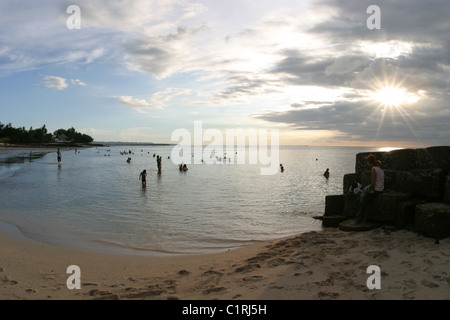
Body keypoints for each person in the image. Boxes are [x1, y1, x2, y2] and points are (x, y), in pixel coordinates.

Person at [353, 155, 384, 225]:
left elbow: (373, 183)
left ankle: (358, 221)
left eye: (367, 162)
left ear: (370, 162)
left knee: (364, 202)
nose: (367, 164)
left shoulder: (373, 169)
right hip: (380, 189)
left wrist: (367, 190)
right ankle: (363, 219)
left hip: (376, 190)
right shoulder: (380, 168)